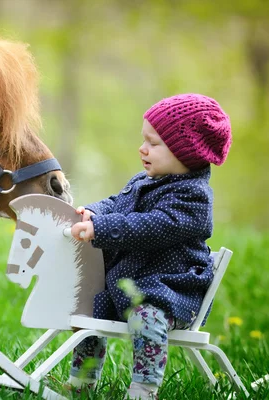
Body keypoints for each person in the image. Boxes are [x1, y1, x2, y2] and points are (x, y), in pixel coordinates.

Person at [68, 94, 232, 399]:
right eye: (144, 140)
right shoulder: (144, 180)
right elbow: (118, 204)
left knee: (147, 320)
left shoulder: (192, 199)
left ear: (186, 153)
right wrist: (95, 213)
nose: (143, 149)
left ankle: (144, 388)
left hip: (170, 291)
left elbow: (150, 227)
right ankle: (82, 381)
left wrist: (100, 230)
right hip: (132, 285)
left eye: (154, 143)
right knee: (88, 310)